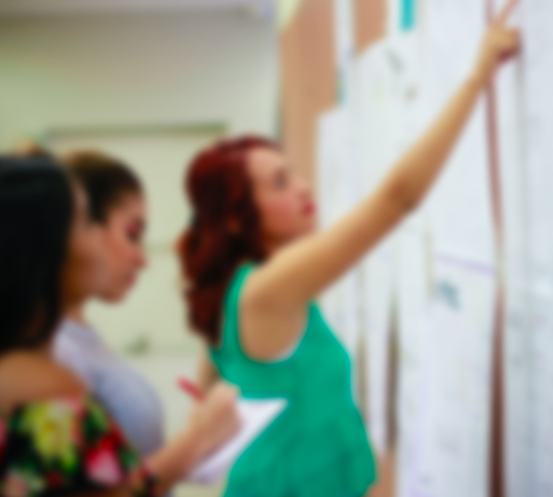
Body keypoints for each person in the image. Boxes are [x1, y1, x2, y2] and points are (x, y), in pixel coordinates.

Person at [177, 2, 521, 496]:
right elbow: (398, 199)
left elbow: (210, 388)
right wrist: (476, 78)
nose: (302, 187)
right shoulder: (269, 286)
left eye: (292, 172)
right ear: (236, 218)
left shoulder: (238, 289)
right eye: (279, 184)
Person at [0, 155, 240, 497]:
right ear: (45, 249)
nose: (98, 237)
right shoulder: (42, 385)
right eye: (86, 222)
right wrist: (193, 443)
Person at [53, 150, 162, 458]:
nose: (143, 259)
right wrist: (196, 440)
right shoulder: (56, 350)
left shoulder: (80, 339)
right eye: (132, 234)